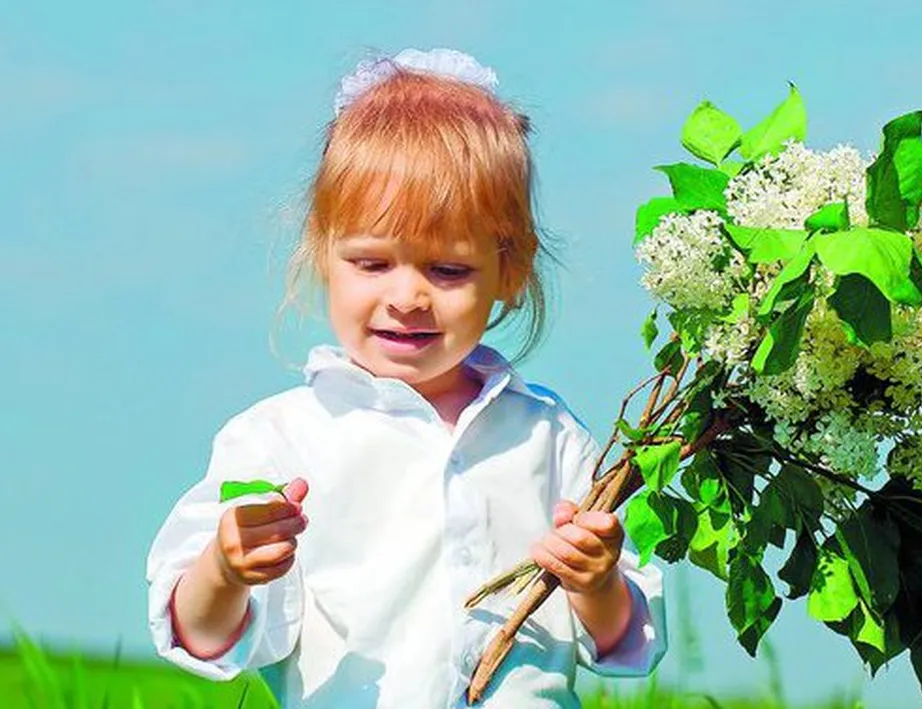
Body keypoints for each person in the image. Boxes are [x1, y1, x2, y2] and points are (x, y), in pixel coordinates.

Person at [144, 47, 667, 708]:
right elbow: (200, 634)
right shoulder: (280, 438)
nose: (409, 296)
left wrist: (595, 583)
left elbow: (625, 639)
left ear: (510, 268)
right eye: (372, 262)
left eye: (447, 270)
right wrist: (224, 570)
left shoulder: (548, 436)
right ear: (324, 251)